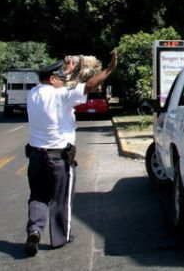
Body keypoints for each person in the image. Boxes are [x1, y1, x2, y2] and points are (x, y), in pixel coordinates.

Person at [23, 50, 118, 257]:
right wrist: (109, 69)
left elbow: (62, 85)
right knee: (61, 199)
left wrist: (67, 71)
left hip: (36, 157)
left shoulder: (33, 93)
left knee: (38, 196)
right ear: (53, 79)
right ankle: (60, 238)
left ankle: (34, 231)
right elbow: (90, 85)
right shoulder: (61, 96)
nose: (65, 80)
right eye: (62, 77)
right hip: (58, 158)